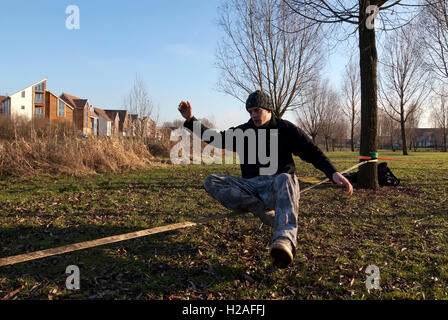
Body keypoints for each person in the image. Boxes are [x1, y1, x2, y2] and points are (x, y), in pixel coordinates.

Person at [178, 90, 353, 268]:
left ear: (268, 109)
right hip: (252, 187)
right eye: (250, 111)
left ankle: (284, 241)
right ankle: (261, 210)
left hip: (278, 185)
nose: (253, 115)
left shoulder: (286, 129)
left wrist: (332, 172)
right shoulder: (243, 131)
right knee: (211, 181)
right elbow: (216, 139)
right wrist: (191, 119)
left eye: (257, 110)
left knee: (286, 178)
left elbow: (311, 151)